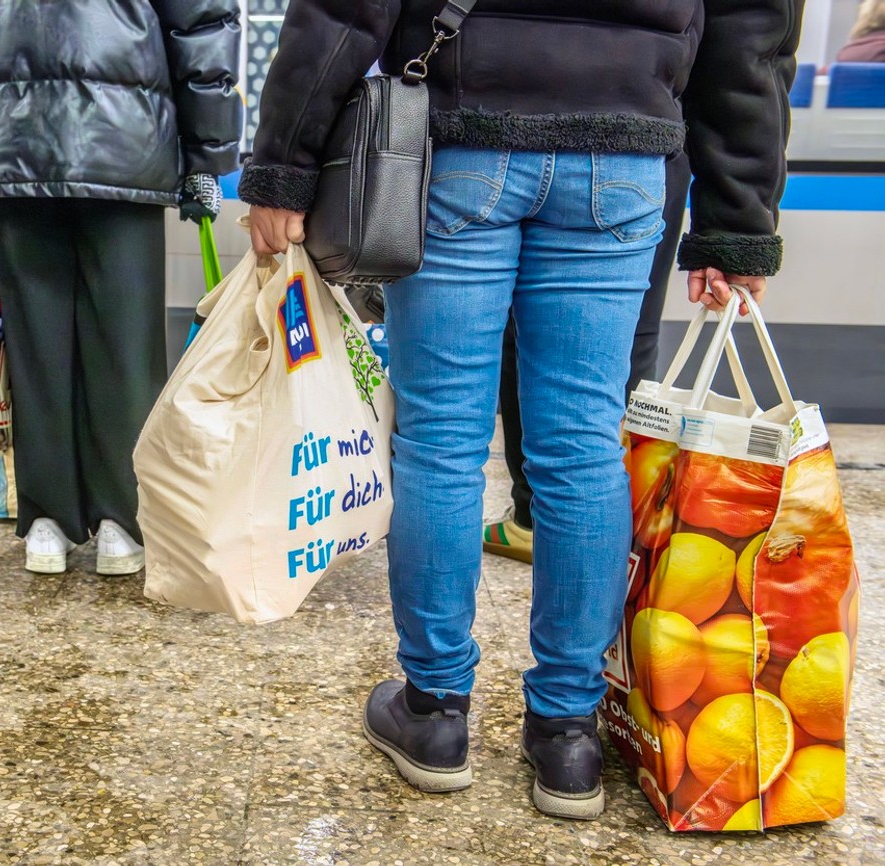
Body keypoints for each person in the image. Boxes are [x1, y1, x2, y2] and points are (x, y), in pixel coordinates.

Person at [244, 0, 800, 820]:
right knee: (580, 449)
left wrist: (285, 163)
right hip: (622, 151)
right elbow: (752, 28)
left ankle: (434, 714)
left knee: (439, 442)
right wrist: (736, 220)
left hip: (465, 139)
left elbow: (344, 8)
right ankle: (567, 735)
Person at [0, 0, 242, 576]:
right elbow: (202, 24)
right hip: (124, 133)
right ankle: (122, 521)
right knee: (125, 342)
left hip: (2, 137)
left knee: (36, 344)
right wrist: (207, 155)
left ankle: (47, 520)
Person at [483, 153, 691, 565]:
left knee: (441, 438)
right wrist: (738, 230)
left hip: (487, 135)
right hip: (640, 144)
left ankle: (530, 517)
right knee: (617, 364)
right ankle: (624, 533)